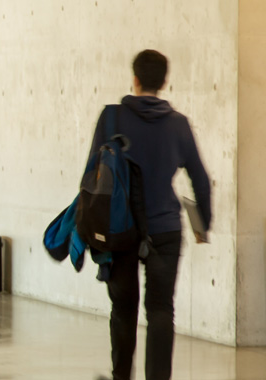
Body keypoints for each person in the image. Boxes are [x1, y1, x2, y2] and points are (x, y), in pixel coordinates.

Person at [92, 50, 212, 380]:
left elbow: (92, 173)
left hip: (119, 230)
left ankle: (121, 376)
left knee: (123, 307)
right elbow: (201, 180)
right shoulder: (178, 125)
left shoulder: (111, 118)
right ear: (164, 83)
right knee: (161, 309)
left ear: (135, 79)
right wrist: (204, 223)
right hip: (166, 229)